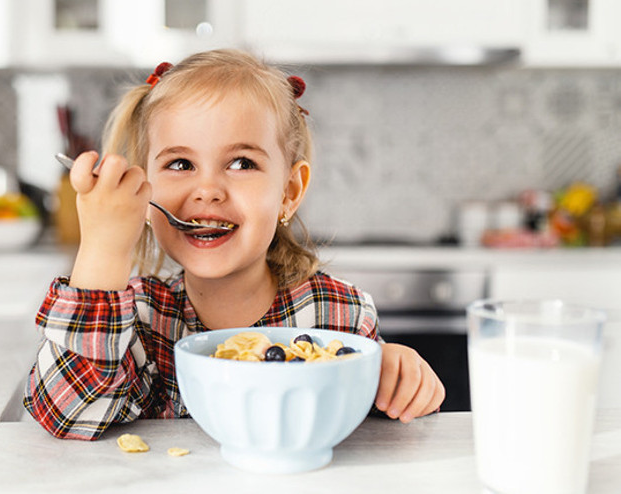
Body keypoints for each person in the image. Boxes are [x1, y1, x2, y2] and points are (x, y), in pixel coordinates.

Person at [24, 49, 444, 440]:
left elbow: (378, 424)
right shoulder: (137, 322)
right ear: (144, 193)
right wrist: (103, 249)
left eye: (242, 163)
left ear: (289, 191)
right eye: (180, 164)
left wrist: (395, 377)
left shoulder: (337, 315)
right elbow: (68, 413)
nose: (207, 190)